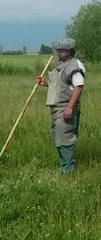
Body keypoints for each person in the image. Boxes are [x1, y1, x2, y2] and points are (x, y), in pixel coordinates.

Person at [37, 38, 86, 174]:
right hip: (57, 108)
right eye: (58, 50)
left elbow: (78, 87)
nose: (59, 52)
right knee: (59, 138)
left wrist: (70, 107)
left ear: (70, 51)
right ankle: (65, 168)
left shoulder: (74, 66)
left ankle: (68, 171)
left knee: (65, 138)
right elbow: (62, 86)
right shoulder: (63, 65)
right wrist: (45, 83)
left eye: (62, 50)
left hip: (66, 106)